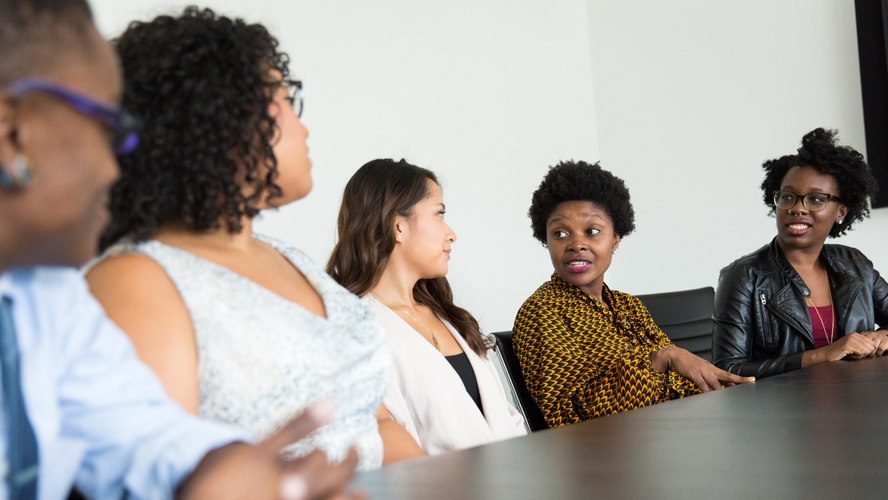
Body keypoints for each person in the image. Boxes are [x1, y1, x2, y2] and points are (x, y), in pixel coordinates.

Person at [0, 0, 363, 498]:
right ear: (10, 132)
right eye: (110, 129)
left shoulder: (47, 296)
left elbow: (143, 434)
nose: (116, 167)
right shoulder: (130, 278)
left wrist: (222, 469)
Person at [83, 8, 422, 469]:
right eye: (285, 97)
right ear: (218, 114)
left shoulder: (290, 259)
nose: (303, 126)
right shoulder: (136, 281)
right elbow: (164, 481)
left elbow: (375, 424)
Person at [513, 160, 752, 428]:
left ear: (615, 239)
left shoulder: (628, 306)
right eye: (560, 233)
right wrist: (660, 360)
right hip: (604, 459)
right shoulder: (541, 312)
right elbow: (568, 417)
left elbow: (677, 377)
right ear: (547, 241)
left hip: (668, 433)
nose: (576, 244)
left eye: (592, 231)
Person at [326, 159, 526, 455]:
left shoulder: (449, 317)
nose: (451, 233)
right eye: (439, 214)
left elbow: (505, 418)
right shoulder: (355, 329)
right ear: (398, 226)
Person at [712, 128, 888, 379]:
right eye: (788, 197)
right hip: (786, 412)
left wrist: (884, 336)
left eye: (816, 199)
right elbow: (725, 370)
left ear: (841, 212)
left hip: (858, 401)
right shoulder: (744, 276)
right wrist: (821, 355)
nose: (797, 208)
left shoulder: (855, 264)